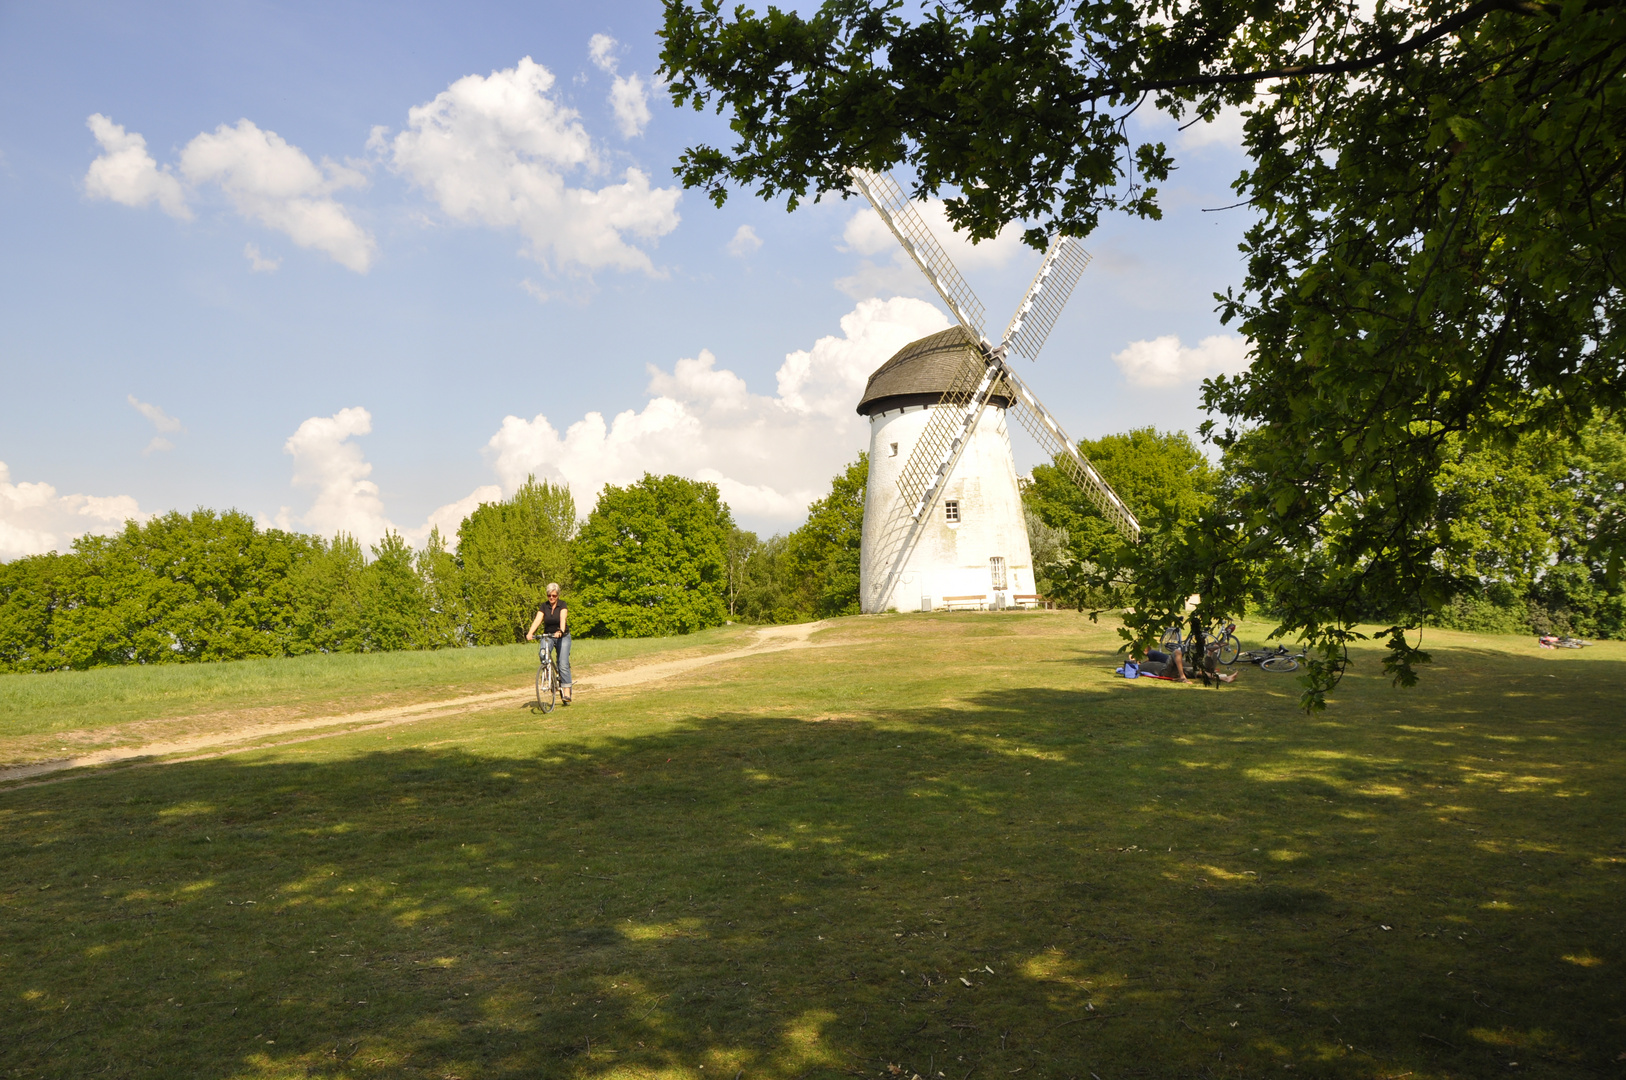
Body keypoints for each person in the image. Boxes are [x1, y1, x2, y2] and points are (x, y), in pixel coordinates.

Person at [526, 582, 572, 705]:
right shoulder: (544, 606)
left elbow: (563, 619)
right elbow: (537, 620)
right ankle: (548, 676)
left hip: (563, 636)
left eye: (554, 595)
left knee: (562, 664)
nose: (551, 598)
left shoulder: (562, 605)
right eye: (549, 595)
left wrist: (561, 631)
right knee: (543, 654)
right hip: (548, 636)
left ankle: (566, 691)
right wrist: (530, 633)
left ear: (558, 595)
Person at [1136, 642, 1237, 684]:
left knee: (1200, 670)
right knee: (1177, 652)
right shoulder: (1139, 667)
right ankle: (1182, 677)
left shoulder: (1144, 662)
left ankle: (1211, 655)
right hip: (1165, 671)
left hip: (1172, 667)